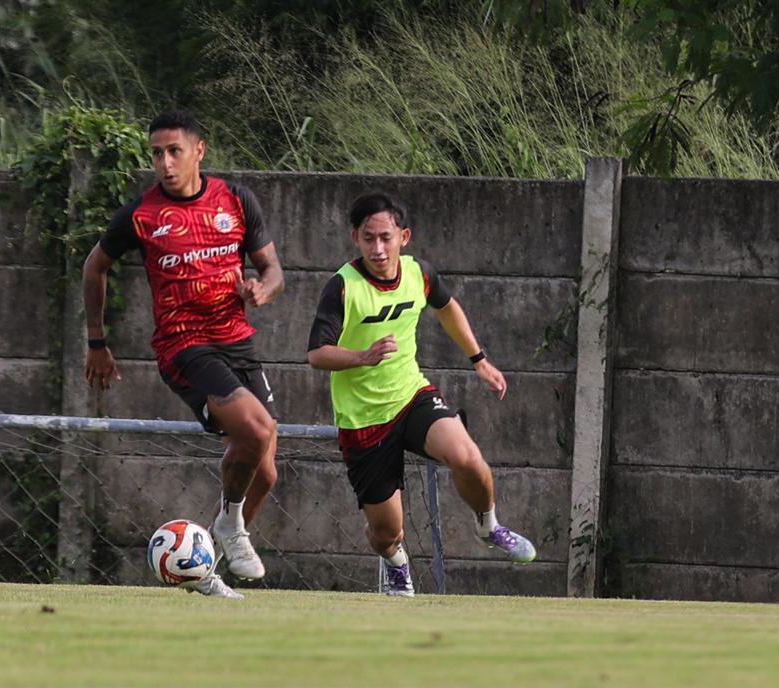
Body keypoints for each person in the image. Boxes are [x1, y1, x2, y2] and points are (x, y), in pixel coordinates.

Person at [83, 110, 284, 600]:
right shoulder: (141, 214)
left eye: (174, 151)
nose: (165, 163)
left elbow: (273, 269)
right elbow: (94, 267)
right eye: (157, 153)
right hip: (184, 346)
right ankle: (231, 525)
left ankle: (204, 568)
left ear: (199, 151)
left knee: (266, 470)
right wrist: (97, 342)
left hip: (237, 341)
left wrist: (263, 289)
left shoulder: (235, 200)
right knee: (257, 431)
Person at [306, 192, 536, 597]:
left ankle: (488, 525)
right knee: (386, 533)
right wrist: (362, 356)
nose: (378, 248)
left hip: (411, 396)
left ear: (404, 237)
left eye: (386, 238)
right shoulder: (342, 286)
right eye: (368, 238)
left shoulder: (419, 274)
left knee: (468, 458)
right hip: (363, 420)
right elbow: (317, 354)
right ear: (355, 238)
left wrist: (479, 360)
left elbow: (447, 307)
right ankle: (396, 562)